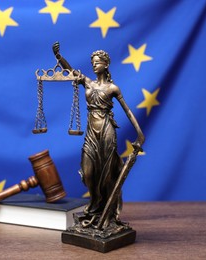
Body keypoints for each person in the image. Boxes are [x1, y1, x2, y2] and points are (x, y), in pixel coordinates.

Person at [52, 42, 145, 229]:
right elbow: (70, 71)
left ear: (105, 64)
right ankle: (95, 206)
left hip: (106, 131)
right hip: (91, 132)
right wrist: (59, 58)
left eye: (97, 62)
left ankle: (106, 212)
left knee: (107, 174)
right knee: (88, 173)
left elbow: (127, 111)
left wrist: (140, 134)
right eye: (92, 62)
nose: (94, 65)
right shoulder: (88, 82)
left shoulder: (113, 88)